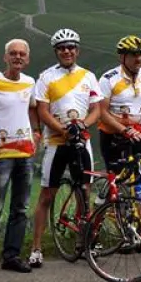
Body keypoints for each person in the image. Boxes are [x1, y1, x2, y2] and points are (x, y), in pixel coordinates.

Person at [28, 28, 104, 268]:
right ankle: (36, 248)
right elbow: (42, 111)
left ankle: (86, 241)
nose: (67, 51)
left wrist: (82, 125)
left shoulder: (89, 76)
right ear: (56, 51)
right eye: (62, 48)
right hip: (56, 143)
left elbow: (97, 110)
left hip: (82, 142)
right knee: (46, 196)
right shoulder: (46, 77)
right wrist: (63, 130)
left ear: (77, 50)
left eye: (71, 47)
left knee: (84, 192)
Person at [0, 39, 39, 276]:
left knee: (20, 208)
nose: (18, 57)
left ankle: (11, 255)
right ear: (5, 57)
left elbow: (32, 107)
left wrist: (37, 132)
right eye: (13, 53)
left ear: (28, 58)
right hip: (0, 155)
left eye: (22, 54)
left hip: (25, 154)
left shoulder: (30, 82)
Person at [97, 35, 141, 173]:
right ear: (122, 57)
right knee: (117, 179)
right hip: (113, 135)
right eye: (133, 55)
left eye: (140, 54)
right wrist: (124, 130)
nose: (138, 58)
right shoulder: (108, 78)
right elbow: (101, 112)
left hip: (138, 132)